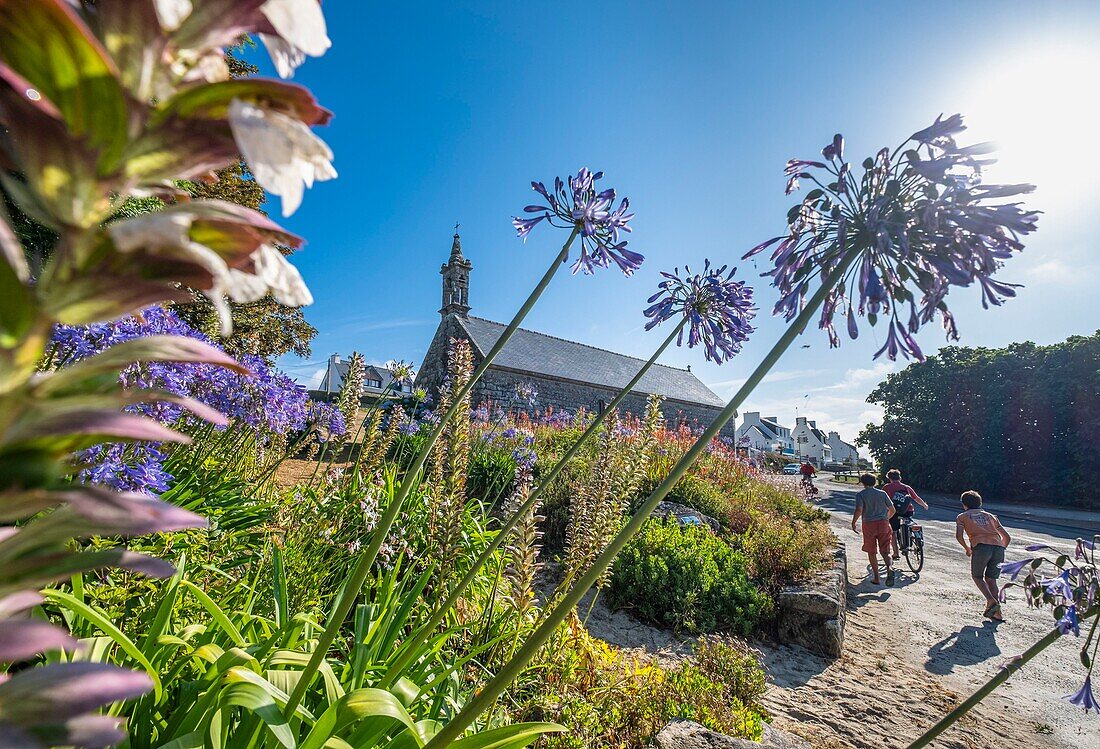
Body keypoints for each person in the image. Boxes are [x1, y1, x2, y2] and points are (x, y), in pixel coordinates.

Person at [955, 490, 1011, 622]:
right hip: (998, 548)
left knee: (977, 576)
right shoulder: (991, 516)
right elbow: (1007, 537)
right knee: (991, 580)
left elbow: (959, 536)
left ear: (964, 504)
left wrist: (967, 548)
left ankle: (991, 600)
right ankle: (997, 613)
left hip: (981, 547)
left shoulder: (962, 517)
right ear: (980, 503)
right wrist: (1001, 549)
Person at [852, 473, 896, 586]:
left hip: (869, 524)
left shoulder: (861, 495)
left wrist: (853, 522)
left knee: (872, 552)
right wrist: (886, 518)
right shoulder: (882, 493)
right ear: (874, 482)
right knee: (886, 551)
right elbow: (892, 510)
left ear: (863, 483)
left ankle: (876, 578)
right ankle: (890, 568)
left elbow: (859, 509)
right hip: (883, 524)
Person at [883, 468, 930, 560]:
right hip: (907, 511)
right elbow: (916, 498)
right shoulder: (906, 487)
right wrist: (924, 505)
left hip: (894, 512)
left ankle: (896, 553)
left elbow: (883, 500)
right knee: (907, 523)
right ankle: (912, 536)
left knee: (894, 532)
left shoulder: (887, 487)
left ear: (890, 478)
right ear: (899, 478)